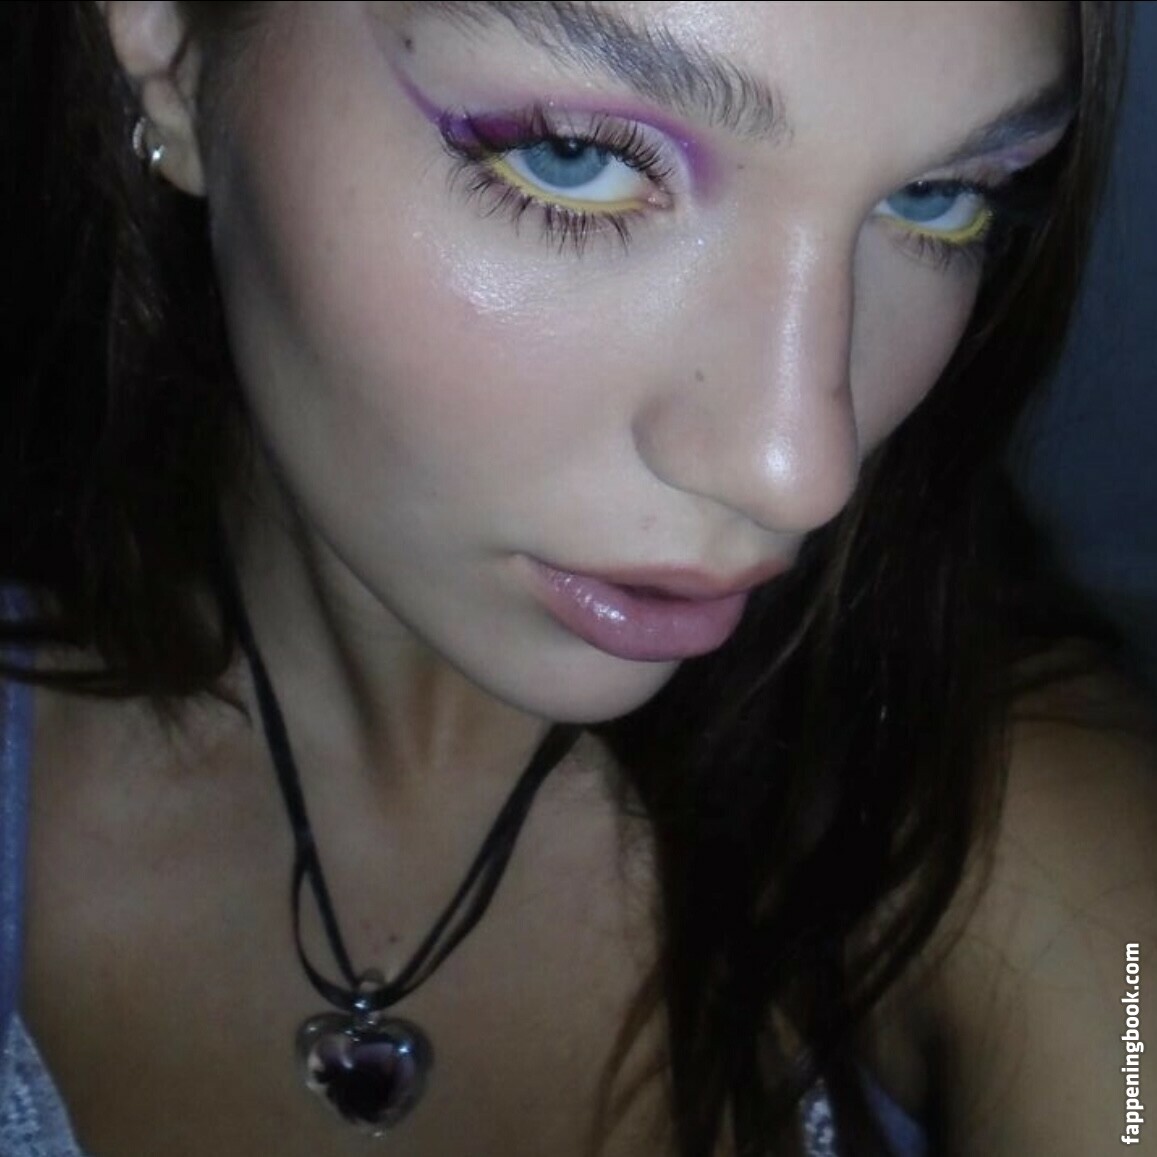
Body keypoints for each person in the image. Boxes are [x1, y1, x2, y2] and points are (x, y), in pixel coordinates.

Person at [0, 2, 1153, 1155]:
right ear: (169, 42)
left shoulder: (1055, 864)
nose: (798, 468)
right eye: (575, 156)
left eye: (937, 196)